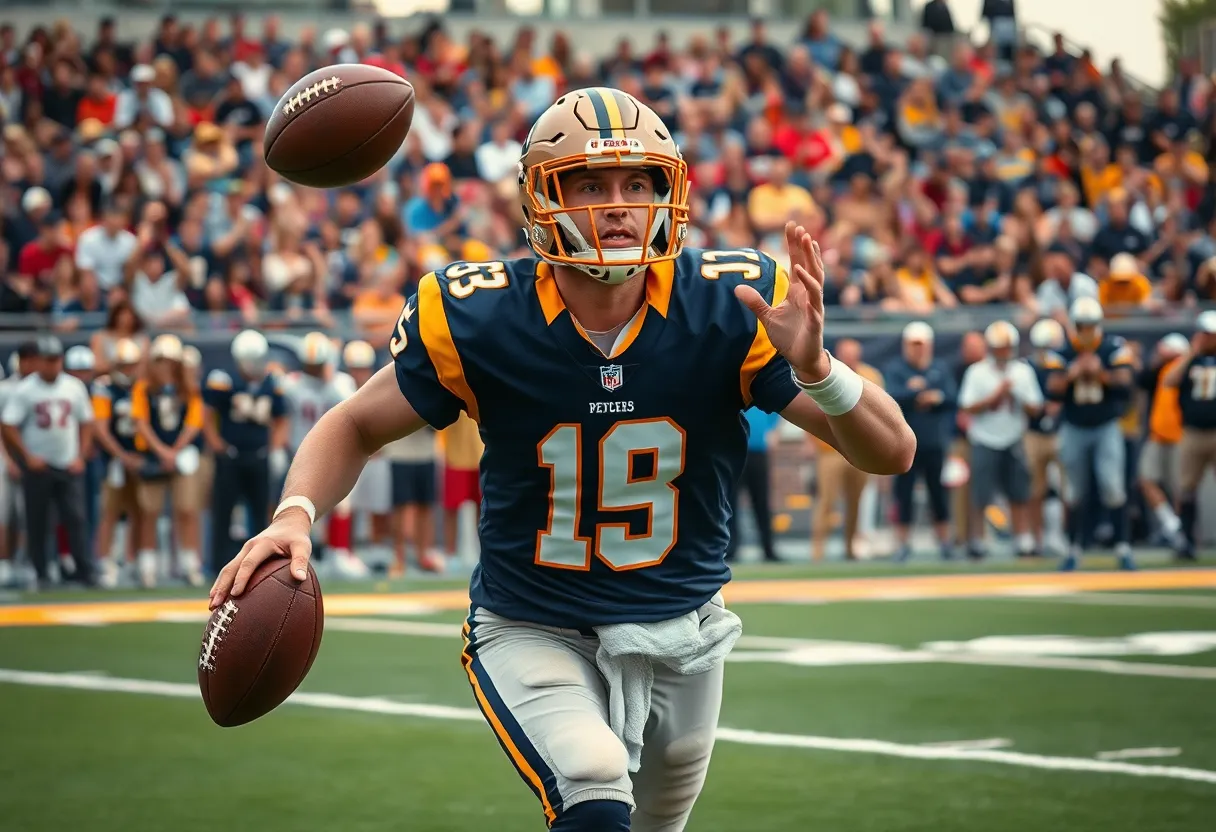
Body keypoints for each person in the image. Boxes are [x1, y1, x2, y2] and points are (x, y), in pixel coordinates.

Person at [210, 88, 913, 832]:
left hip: (684, 624)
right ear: (541, 197)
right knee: (592, 777)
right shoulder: (482, 317)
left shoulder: (729, 306)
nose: (618, 205)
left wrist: (819, 369)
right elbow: (354, 424)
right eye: (590, 184)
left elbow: (892, 451)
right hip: (533, 623)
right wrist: (294, 515)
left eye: (636, 184)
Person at [1048, 297, 1136, 571]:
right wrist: (1073, 375)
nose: (1085, 330)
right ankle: (1074, 548)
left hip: (1105, 425)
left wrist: (1102, 375)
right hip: (1074, 426)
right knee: (1073, 491)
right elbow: (1052, 388)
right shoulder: (1062, 351)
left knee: (1112, 487)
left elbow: (1126, 386)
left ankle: (1123, 548)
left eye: (1090, 324)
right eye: (1081, 325)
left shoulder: (1113, 347)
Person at [0, 336, 95, 590]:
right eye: (48, 360)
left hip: (67, 462)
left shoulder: (73, 386)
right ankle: (40, 572)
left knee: (75, 518)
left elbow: (87, 421)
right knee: (38, 521)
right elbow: (8, 425)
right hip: (38, 466)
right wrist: (27, 456)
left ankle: (84, 570)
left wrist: (81, 455)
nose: (52, 365)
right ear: (39, 361)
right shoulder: (25, 389)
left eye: (56, 360)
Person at [279, 332, 367, 579]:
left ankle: (338, 553)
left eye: (317, 365)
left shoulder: (340, 384)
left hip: (334, 454)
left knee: (341, 504)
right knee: (302, 507)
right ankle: (310, 555)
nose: (314, 370)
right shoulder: (291, 384)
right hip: (298, 455)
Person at [202, 329, 288, 576]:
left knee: (261, 513)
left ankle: (261, 568)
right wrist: (216, 442)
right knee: (223, 511)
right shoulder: (224, 380)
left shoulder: (273, 381)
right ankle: (218, 565)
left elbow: (282, 418)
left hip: (259, 455)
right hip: (230, 456)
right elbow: (207, 414)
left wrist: (275, 446)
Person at [956, 321, 1043, 559]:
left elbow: (1036, 407)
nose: (1003, 353)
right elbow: (966, 406)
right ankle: (977, 538)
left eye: (1006, 348)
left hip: (1014, 436)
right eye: (999, 348)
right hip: (984, 437)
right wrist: (993, 397)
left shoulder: (1022, 371)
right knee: (980, 494)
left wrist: (1015, 394)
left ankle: (1022, 537)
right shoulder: (977, 371)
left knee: (1019, 491)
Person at [130, 334, 206, 586]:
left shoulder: (189, 389)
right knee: (149, 511)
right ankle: (147, 567)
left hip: (180, 456)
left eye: (170, 361)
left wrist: (174, 451)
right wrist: (162, 452)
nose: (165, 366)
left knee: (186, 509)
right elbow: (141, 423)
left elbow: (194, 423)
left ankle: (190, 564)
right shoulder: (143, 388)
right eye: (161, 361)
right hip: (154, 456)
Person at [885, 321, 957, 561]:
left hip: (933, 441)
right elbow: (891, 397)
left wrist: (932, 397)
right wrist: (918, 395)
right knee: (903, 494)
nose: (918, 350)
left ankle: (945, 542)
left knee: (938, 494)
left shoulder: (939, 368)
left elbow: (951, 398)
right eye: (914, 345)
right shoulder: (896, 369)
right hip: (904, 443)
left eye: (922, 345)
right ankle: (902, 544)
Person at [1164, 311, 1216, 560]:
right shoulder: (1190, 361)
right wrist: (1191, 353)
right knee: (1186, 489)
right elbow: (1169, 381)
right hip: (1193, 432)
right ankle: (1185, 539)